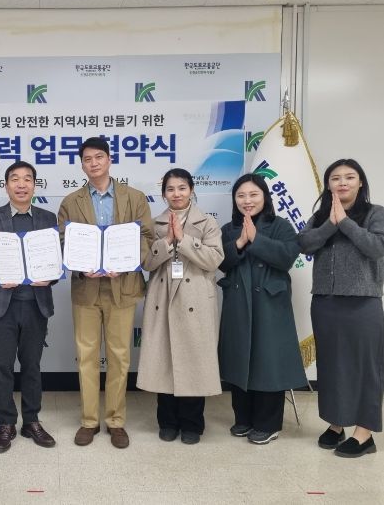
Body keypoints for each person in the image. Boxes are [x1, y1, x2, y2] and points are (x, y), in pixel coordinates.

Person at [58, 137, 153, 449]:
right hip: (86, 288)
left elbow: (147, 237)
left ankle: (116, 420)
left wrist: (124, 263)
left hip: (122, 287)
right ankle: (89, 421)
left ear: (109, 160)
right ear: (82, 165)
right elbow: (63, 241)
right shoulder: (70, 202)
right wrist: (79, 265)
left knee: (119, 356)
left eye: (99, 157)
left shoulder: (134, 197)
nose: (94, 163)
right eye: (88, 159)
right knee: (86, 356)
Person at [0, 161, 57, 453]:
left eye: (27, 179)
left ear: (34, 185)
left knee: (32, 366)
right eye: (15, 179)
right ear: (6, 186)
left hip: (35, 305)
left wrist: (51, 276)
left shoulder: (47, 218)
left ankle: (31, 420)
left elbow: (56, 260)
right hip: (1, 306)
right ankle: (6, 422)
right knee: (2, 366)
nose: (21, 184)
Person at [298, 159, 384, 458]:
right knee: (331, 366)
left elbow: (376, 248)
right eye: (336, 178)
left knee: (364, 368)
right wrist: (330, 224)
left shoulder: (375, 213)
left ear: (360, 182)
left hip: (362, 302)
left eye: (349, 177)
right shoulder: (321, 216)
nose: (342, 182)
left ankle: (364, 433)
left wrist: (345, 223)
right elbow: (304, 244)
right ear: (328, 184)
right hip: (325, 302)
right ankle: (336, 425)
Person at [137, 168, 224, 445]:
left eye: (182, 188)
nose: (176, 194)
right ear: (163, 193)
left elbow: (214, 260)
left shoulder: (207, 222)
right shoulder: (154, 224)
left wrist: (184, 240)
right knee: (164, 362)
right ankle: (167, 422)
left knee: (194, 361)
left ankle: (192, 424)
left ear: (191, 190)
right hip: (162, 300)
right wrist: (166, 241)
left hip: (195, 300)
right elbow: (146, 263)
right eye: (171, 189)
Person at [218, 173, 306, 445]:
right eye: (241, 195)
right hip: (238, 301)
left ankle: (268, 424)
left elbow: (286, 257)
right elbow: (221, 262)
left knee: (268, 362)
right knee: (240, 358)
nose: (247, 200)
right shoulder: (229, 228)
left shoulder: (280, 225)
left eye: (253, 194)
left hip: (269, 301)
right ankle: (243, 418)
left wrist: (256, 239)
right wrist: (239, 243)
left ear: (265, 197)